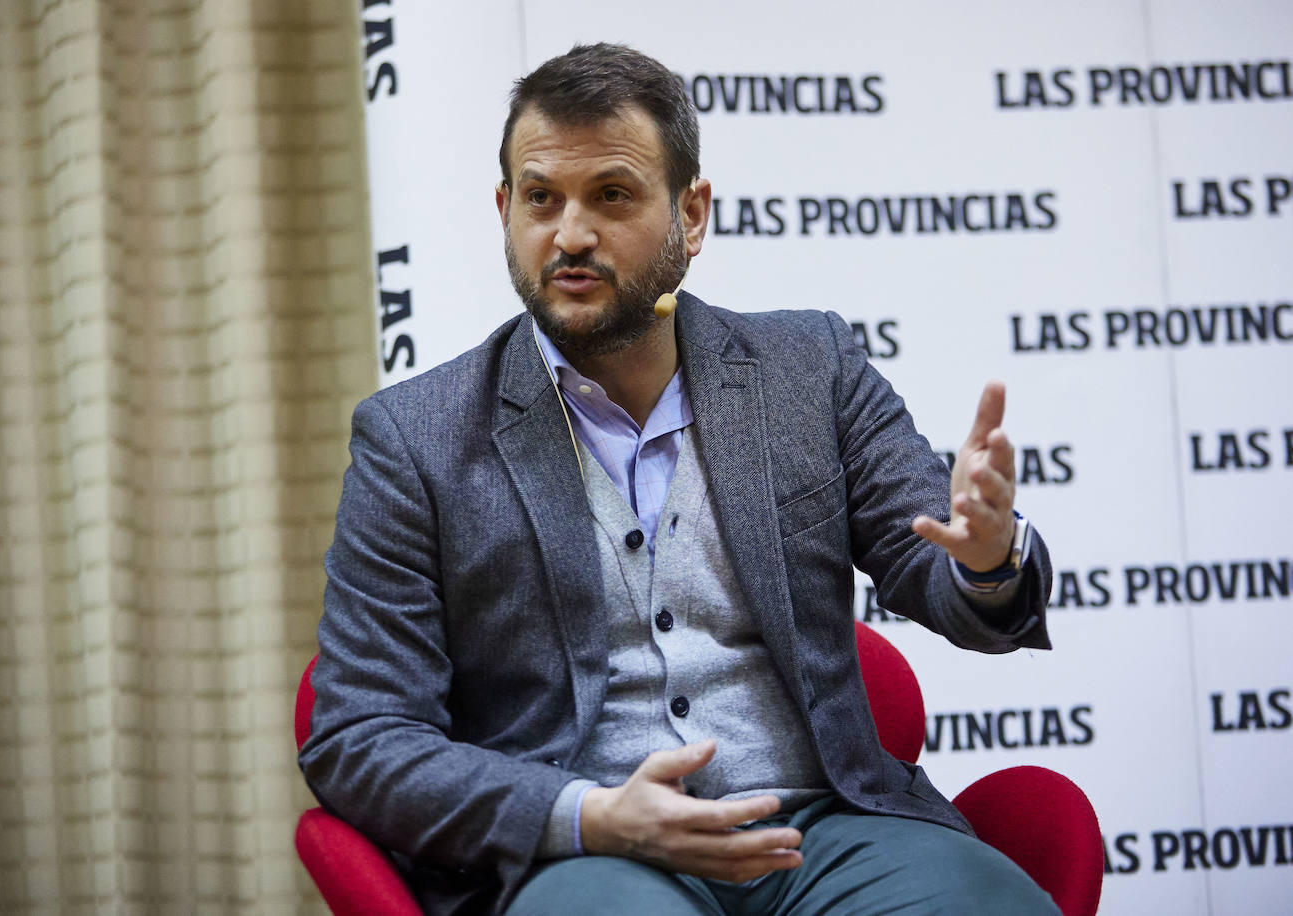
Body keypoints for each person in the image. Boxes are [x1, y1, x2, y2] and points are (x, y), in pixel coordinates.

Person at [300, 43, 1059, 916]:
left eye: (612, 196)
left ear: (691, 217)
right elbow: (359, 736)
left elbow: (940, 565)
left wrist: (988, 561)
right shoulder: (415, 440)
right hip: (588, 857)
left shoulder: (809, 370)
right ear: (505, 209)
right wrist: (585, 816)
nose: (571, 234)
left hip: (826, 832)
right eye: (541, 199)